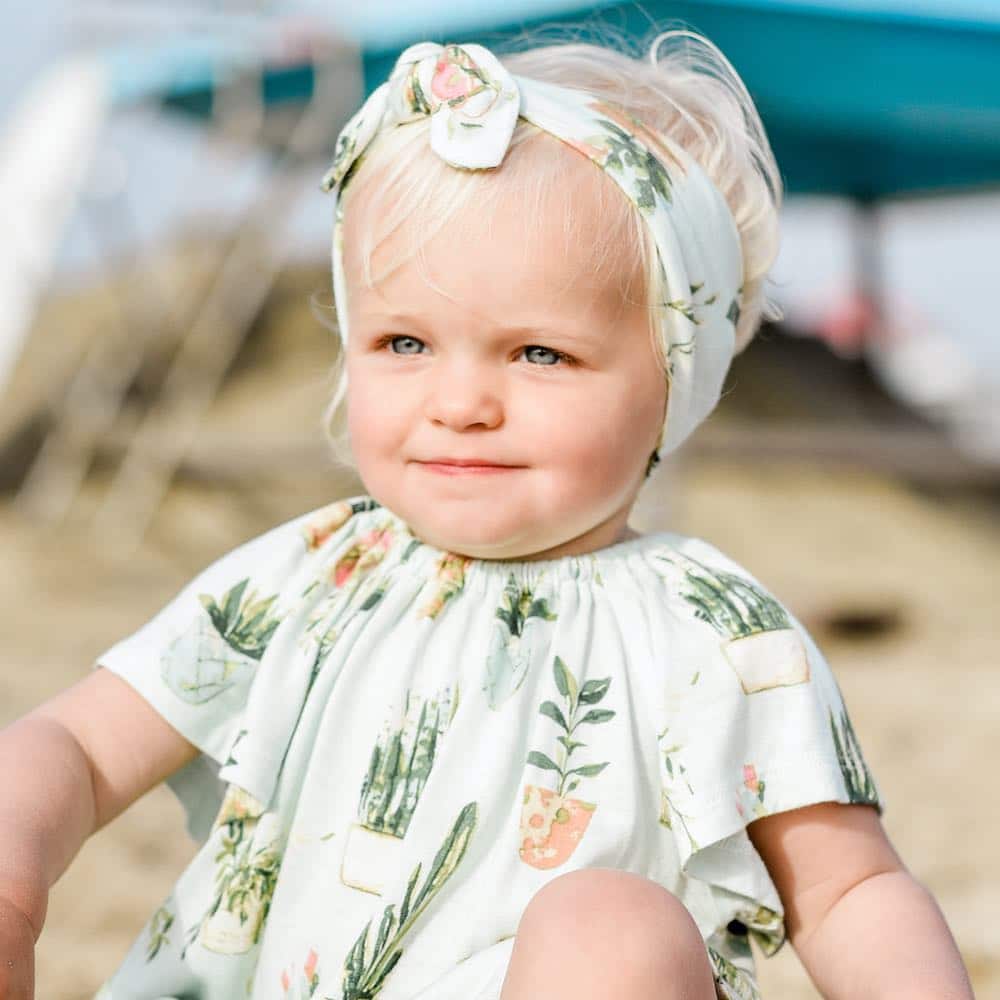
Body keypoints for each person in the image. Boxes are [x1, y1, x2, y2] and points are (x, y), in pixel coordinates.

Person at [0, 31, 974, 1000]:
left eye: (538, 354)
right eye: (404, 340)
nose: (458, 400)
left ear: (672, 380)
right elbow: (80, 748)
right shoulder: (309, 573)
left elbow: (848, 891)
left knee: (609, 928)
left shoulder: (714, 631)